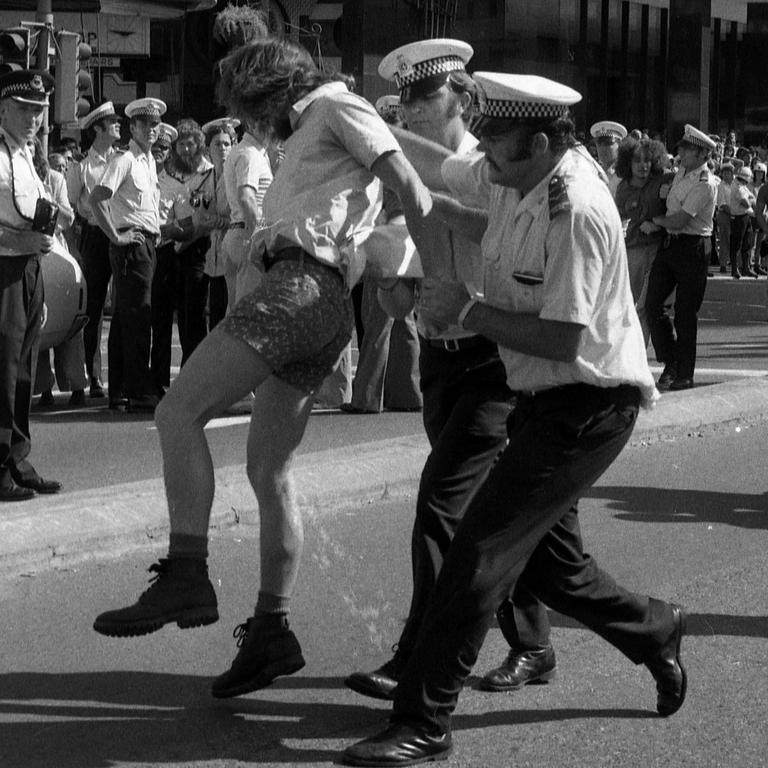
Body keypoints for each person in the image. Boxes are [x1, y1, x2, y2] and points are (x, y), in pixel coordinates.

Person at [341, 72, 686, 767]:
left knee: (480, 553)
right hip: (541, 400)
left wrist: (463, 309)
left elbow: (565, 338)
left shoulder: (577, 209)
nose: (484, 154)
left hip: (587, 405)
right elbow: (478, 208)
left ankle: (424, 718)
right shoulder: (521, 177)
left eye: (494, 142)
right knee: (555, 572)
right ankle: (655, 629)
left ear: (536, 140)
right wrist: (413, 185)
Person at [92, 38, 433, 702]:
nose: (250, 125)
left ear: (268, 91)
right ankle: (272, 629)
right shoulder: (313, 125)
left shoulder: (335, 105)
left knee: (176, 412)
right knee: (267, 468)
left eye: (249, 110)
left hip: (301, 288)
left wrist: (428, 271)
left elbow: (408, 185)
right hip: (320, 300)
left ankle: (187, 571)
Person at [345, 41, 554, 703]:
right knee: (512, 520)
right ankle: (537, 641)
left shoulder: (480, 166)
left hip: (493, 358)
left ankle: (420, 658)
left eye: (421, 97)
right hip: (442, 356)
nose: (407, 110)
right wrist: (396, 285)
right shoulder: (401, 166)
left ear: (462, 100)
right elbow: (407, 245)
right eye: (402, 98)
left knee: (441, 506)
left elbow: (489, 229)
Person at [0, 69, 61, 501]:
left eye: (38, 111)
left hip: (28, 269)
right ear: (3, 107)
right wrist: (18, 239)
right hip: (4, 269)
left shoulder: (25, 154)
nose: (33, 118)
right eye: (24, 109)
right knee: (2, 372)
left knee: (24, 369)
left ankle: (18, 460)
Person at [341, 94, 422, 414]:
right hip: (408, 242)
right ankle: (408, 394)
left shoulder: (386, 159)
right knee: (404, 322)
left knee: (376, 320)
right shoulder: (409, 156)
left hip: (388, 240)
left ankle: (367, 397)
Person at [90, 98, 164, 413]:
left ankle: (119, 388)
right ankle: (138, 389)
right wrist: (116, 236)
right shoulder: (125, 160)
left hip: (146, 243)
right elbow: (97, 198)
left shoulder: (148, 162)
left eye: (155, 124)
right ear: (132, 127)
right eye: (145, 124)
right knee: (137, 317)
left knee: (125, 318)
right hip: (131, 245)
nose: (152, 129)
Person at [644, 124, 717, 391]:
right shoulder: (680, 173)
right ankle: (671, 359)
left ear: (701, 154)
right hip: (671, 245)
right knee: (653, 305)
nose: (681, 153)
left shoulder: (705, 184)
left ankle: (685, 373)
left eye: (686, 149)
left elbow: (680, 220)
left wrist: (656, 222)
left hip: (693, 247)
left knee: (685, 313)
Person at [66, 101, 123, 402]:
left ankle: (122, 378)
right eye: (112, 122)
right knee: (94, 308)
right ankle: (93, 375)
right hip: (95, 235)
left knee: (126, 305)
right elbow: (72, 205)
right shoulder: (81, 166)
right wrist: (76, 247)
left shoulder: (124, 159)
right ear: (98, 129)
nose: (118, 126)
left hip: (122, 230)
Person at [32, 138, 88, 409]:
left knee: (69, 323)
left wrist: (48, 203)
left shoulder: (54, 178)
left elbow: (67, 218)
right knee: (38, 323)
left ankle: (77, 384)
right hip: (30, 257)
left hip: (56, 253)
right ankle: (43, 389)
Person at [613, 135, 674, 344]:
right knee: (626, 303)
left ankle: (639, 354)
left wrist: (658, 223)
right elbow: (618, 217)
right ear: (627, 163)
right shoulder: (622, 188)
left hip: (658, 250)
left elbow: (678, 204)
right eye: (637, 160)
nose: (642, 165)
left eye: (647, 160)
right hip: (633, 250)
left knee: (645, 305)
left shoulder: (664, 180)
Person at [167, 119, 215, 365]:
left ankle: (195, 367)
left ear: (199, 145)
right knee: (182, 313)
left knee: (196, 313)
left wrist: (185, 242)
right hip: (175, 248)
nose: (185, 149)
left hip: (197, 247)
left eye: (190, 144)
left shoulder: (209, 173)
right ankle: (188, 366)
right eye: (181, 144)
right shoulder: (174, 173)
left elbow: (206, 217)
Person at [150, 122, 192, 398]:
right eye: (156, 147)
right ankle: (131, 381)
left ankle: (159, 380)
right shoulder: (131, 172)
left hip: (163, 253)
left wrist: (167, 230)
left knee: (163, 320)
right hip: (136, 251)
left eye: (164, 149)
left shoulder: (176, 186)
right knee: (135, 317)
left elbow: (187, 227)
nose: (158, 153)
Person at [200, 117, 239, 329]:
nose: (223, 148)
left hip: (233, 254)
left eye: (227, 143)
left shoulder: (236, 175)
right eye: (217, 144)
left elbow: (240, 215)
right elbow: (199, 210)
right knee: (214, 318)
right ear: (208, 149)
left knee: (230, 316)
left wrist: (217, 220)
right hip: (212, 259)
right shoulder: (204, 177)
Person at [729, 165, 757, 280]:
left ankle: (746, 267)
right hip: (739, 218)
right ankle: (735, 269)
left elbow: (752, 199)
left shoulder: (743, 186)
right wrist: (751, 200)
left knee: (748, 243)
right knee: (736, 244)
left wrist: (751, 200)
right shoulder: (737, 187)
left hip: (746, 216)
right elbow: (746, 203)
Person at [590, 120, 627, 197]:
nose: (603, 148)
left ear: (619, 144)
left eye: (608, 143)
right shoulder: (593, 171)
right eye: (599, 143)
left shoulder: (625, 172)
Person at [715, 162, 734, 274]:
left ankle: (734, 263)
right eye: (725, 173)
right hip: (725, 215)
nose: (727, 175)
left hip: (736, 215)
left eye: (729, 173)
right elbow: (722, 203)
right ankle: (723, 264)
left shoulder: (735, 185)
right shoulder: (721, 186)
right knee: (724, 240)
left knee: (734, 240)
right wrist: (733, 212)